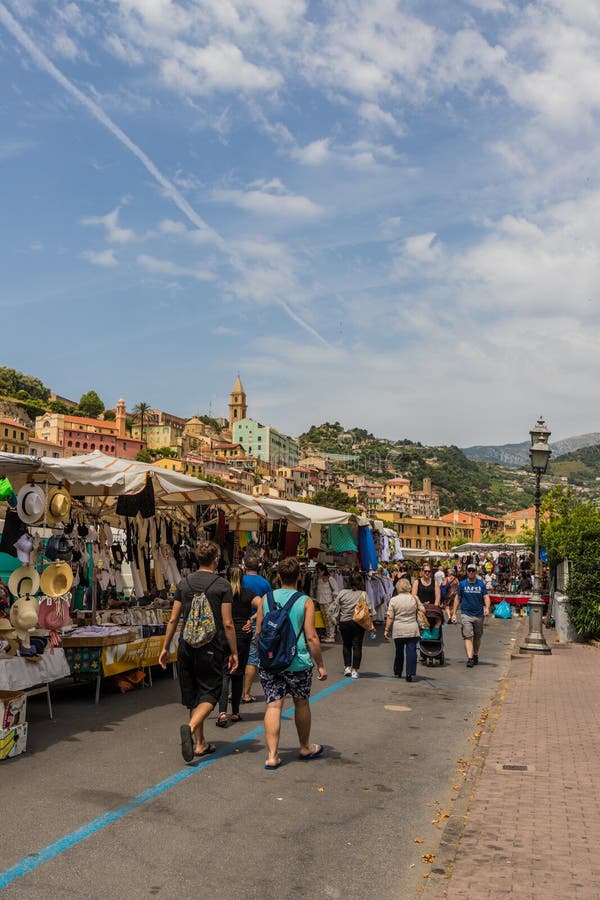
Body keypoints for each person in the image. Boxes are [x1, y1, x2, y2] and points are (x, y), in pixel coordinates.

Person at [159, 541, 238, 762]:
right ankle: (191, 727)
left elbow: (174, 619)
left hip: (186, 646)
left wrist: (165, 647)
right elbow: (228, 623)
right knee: (210, 694)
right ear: (216, 559)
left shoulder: (183, 584)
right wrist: (234, 652)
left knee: (193, 695)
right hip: (211, 647)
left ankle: (200, 743)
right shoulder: (222, 585)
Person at [255, 556, 327, 770]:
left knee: (274, 705)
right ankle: (304, 746)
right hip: (298, 661)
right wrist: (320, 664)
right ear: (300, 577)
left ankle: (272, 755)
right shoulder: (305, 601)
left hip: (271, 662)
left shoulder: (265, 599)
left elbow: (258, 633)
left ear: (278, 576)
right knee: (301, 703)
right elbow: (312, 637)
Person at [216, 565, 261, 727]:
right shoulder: (247, 594)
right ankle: (235, 712)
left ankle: (222, 712)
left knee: (224, 673)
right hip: (242, 635)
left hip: (224, 634)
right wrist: (252, 619)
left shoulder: (222, 593)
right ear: (242, 577)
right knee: (238, 673)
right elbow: (265, 604)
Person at [240, 549, 271, 703]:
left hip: (238, 623)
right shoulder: (265, 583)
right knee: (252, 659)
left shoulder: (239, 581)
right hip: (255, 624)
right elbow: (267, 606)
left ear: (244, 567)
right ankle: (246, 693)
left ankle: (234, 691)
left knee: (236, 657)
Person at [384, 578, 425, 681]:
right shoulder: (414, 598)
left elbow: (390, 617)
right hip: (412, 628)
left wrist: (386, 629)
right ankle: (410, 673)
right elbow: (423, 610)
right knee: (411, 651)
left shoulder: (394, 600)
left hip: (399, 629)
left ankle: (398, 671)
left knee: (399, 651)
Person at [451, 563, 490, 668]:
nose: (471, 572)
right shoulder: (462, 584)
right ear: (467, 572)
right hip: (466, 614)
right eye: (469, 570)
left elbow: (486, 597)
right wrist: (454, 613)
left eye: (473, 570)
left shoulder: (481, 584)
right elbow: (457, 598)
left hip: (478, 614)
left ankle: (475, 654)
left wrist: (486, 608)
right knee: (468, 636)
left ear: (476, 572)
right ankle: (470, 658)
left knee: (477, 637)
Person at [335, 572, 368, 679]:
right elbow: (370, 609)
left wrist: (337, 621)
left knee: (346, 645)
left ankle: (347, 667)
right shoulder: (363, 594)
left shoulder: (342, 593)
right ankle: (355, 670)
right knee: (357, 646)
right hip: (358, 623)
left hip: (344, 622)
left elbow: (335, 607)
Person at [315, 563, 338, 643]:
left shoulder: (330, 579)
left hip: (328, 601)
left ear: (323, 571)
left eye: (319, 571)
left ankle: (331, 635)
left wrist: (333, 599)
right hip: (321, 601)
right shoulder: (319, 579)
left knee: (330, 618)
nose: (318, 573)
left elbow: (336, 590)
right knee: (325, 619)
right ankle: (328, 634)